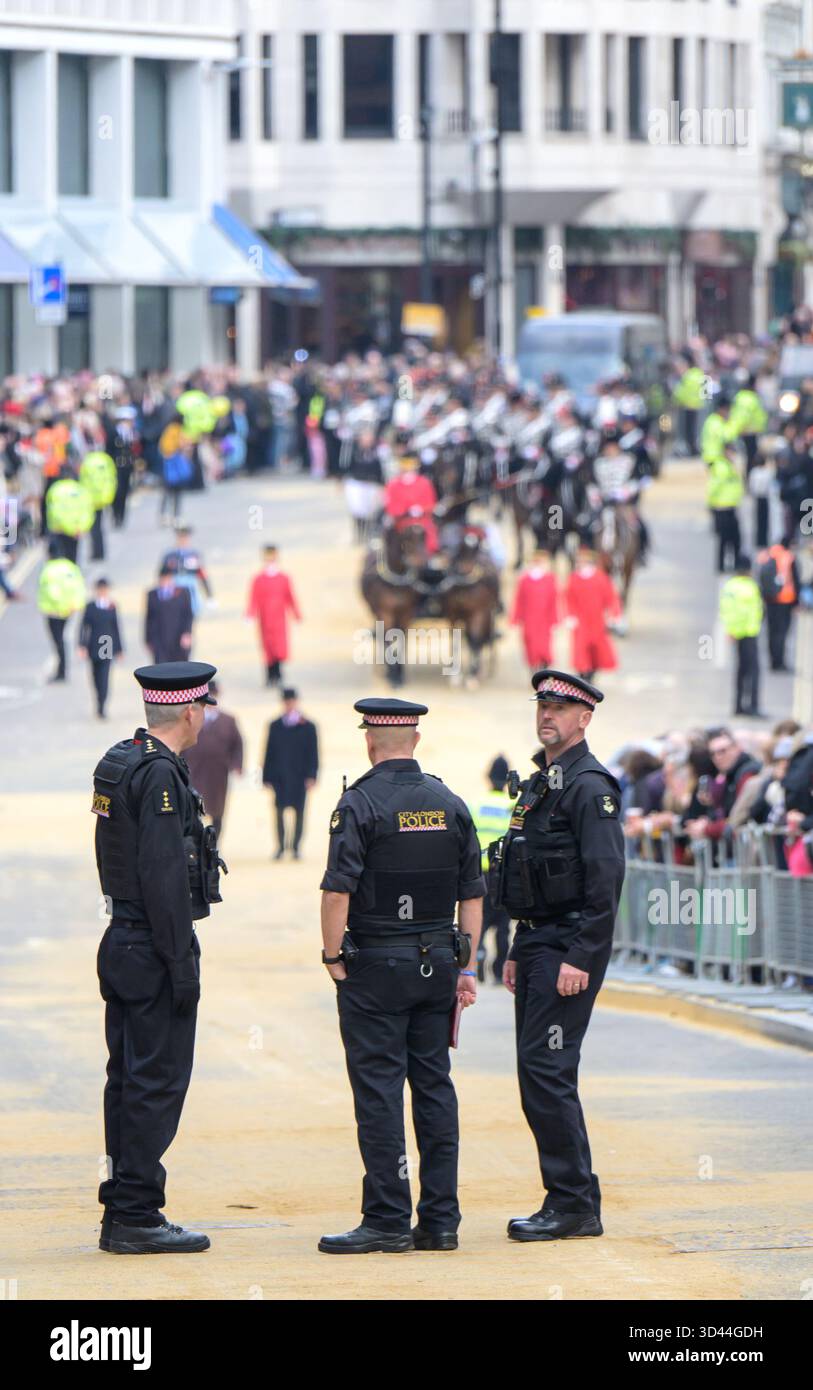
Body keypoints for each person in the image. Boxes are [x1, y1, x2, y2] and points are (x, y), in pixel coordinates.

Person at [318, 697, 484, 1254]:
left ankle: (387, 1218)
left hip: (376, 970)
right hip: (438, 961)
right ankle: (441, 1222)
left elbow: (337, 889)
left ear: (370, 739)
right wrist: (467, 963)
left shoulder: (359, 804)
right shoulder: (449, 801)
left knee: (380, 1092)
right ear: (415, 740)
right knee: (434, 1086)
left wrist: (332, 956)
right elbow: (473, 893)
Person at [94, 661, 226, 1254]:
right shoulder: (162, 778)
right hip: (151, 945)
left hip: (122, 939)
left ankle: (123, 1205)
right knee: (155, 1082)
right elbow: (164, 877)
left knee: (126, 1079)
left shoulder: (122, 760)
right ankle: (137, 1215)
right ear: (192, 711)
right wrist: (181, 964)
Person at [489, 670, 625, 1242]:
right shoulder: (547, 781)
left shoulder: (591, 787)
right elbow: (528, 871)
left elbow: (605, 881)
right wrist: (520, 946)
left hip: (569, 945)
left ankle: (572, 1204)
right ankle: (569, 1199)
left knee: (548, 1071)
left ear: (584, 718)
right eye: (542, 705)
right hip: (542, 941)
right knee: (537, 1072)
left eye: (560, 708)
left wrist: (581, 956)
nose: (547, 715)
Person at [470, 755, 513, 984]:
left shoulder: (475, 804)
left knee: (481, 922)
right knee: (503, 927)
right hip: (503, 875)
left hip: (481, 874)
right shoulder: (512, 807)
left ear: (488, 777)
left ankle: (478, 962)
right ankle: (498, 972)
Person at [182, 679, 243, 840]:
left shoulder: (228, 720)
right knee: (194, 806)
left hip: (218, 772)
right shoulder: (191, 719)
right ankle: (195, 842)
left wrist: (237, 764)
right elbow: (181, 743)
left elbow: (237, 744)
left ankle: (214, 843)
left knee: (217, 809)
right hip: (194, 770)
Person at [261, 687, 319, 859]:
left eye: (291, 701)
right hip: (280, 776)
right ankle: (280, 846)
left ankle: (295, 847)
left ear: (296, 702)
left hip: (300, 776)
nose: (289, 704)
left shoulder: (308, 726)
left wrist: (312, 775)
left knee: (300, 811)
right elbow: (268, 752)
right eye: (286, 701)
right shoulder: (275, 725)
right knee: (279, 811)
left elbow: (313, 753)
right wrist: (266, 776)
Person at [245, 544, 302, 686]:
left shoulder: (284, 578)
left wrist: (296, 613)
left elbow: (290, 596)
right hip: (265, 618)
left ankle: (278, 674)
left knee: (279, 647)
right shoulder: (258, 579)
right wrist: (250, 614)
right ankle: (270, 676)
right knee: (267, 647)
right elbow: (254, 598)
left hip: (279, 618)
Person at [563, 545, 621, 681]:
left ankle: (591, 673)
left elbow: (610, 597)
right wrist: (570, 615)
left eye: (583, 561)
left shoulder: (601, 577)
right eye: (579, 561)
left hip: (596, 619)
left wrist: (613, 614)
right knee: (580, 648)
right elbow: (568, 598)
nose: (580, 564)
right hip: (580, 619)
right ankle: (583, 673)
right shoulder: (574, 578)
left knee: (596, 648)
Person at [719, 555, 765, 717]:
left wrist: (730, 630)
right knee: (754, 670)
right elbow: (754, 609)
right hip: (749, 632)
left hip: (737, 633)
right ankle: (753, 705)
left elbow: (726, 611)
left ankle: (738, 705)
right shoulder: (750, 586)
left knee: (741, 670)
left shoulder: (730, 586)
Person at [702, 395, 743, 573]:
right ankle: (721, 566)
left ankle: (731, 564)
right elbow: (729, 434)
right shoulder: (716, 424)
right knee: (725, 538)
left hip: (730, 505)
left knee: (734, 539)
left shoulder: (729, 465)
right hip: (721, 507)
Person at [37, 542, 86, 683]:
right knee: (61, 639)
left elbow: (52, 592)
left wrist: (58, 607)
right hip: (68, 610)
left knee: (58, 641)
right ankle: (62, 669)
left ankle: (62, 670)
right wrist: (75, 605)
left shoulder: (49, 569)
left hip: (54, 611)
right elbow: (79, 586)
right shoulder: (70, 567)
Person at [78, 577, 124, 719]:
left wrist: (120, 649)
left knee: (104, 678)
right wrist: (82, 645)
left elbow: (116, 628)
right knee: (95, 677)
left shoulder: (112, 606)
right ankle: (98, 700)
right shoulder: (90, 606)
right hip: (93, 645)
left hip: (107, 646)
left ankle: (102, 706)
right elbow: (83, 627)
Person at [510, 548, 559, 671]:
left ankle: (544, 668)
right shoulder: (524, 580)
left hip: (544, 620)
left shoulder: (549, 579)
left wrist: (554, 620)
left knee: (544, 646)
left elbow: (553, 601)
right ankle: (533, 670)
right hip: (529, 620)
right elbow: (519, 600)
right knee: (530, 645)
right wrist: (516, 619)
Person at [756, 537, 799, 672]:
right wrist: (796, 602)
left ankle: (773, 661)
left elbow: (761, 577)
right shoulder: (789, 557)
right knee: (782, 633)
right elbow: (795, 580)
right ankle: (779, 662)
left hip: (770, 600)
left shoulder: (768, 554)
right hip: (785, 600)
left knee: (772, 631)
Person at [160, 524, 213, 618]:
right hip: (175, 589)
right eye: (181, 537)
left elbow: (202, 575)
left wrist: (209, 595)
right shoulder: (170, 555)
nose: (183, 540)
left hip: (191, 589)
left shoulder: (194, 555)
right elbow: (162, 576)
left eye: (185, 537)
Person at [145, 565, 194, 664]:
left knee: (180, 669)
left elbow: (188, 615)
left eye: (167, 578)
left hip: (178, 638)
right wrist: (148, 639)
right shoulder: (152, 595)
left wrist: (187, 633)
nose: (165, 581)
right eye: (163, 579)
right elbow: (149, 618)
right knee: (161, 670)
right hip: (159, 640)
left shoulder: (182, 593)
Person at [79, 449, 117, 561]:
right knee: (99, 526)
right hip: (102, 498)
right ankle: (100, 552)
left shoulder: (87, 462)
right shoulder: (105, 460)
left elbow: (82, 480)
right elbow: (112, 478)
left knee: (94, 528)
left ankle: (96, 552)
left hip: (90, 499)